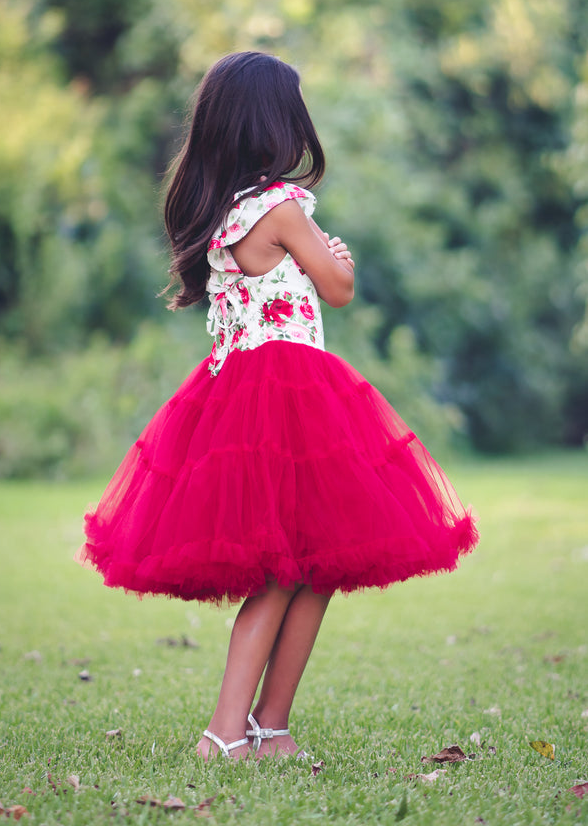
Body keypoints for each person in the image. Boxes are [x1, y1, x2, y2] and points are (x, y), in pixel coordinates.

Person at [77, 51, 479, 761]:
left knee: (315, 566)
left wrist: (319, 257)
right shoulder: (281, 208)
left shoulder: (220, 211)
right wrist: (338, 258)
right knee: (281, 573)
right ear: (274, 124)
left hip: (236, 389)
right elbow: (340, 289)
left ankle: (270, 727)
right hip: (287, 391)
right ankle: (225, 733)